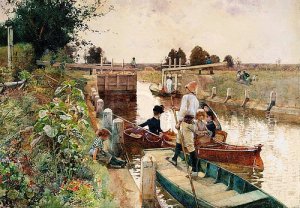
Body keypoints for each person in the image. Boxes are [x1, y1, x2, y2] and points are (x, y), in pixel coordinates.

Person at [167, 81, 199, 177]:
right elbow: (190, 111)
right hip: (192, 123)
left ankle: (194, 171)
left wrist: (178, 122)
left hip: (185, 123)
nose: (185, 90)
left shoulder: (186, 97)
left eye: (186, 88)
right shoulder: (196, 100)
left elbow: (184, 111)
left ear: (189, 89)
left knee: (190, 146)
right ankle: (174, 159)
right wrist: (177, 108)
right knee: (179, 140)